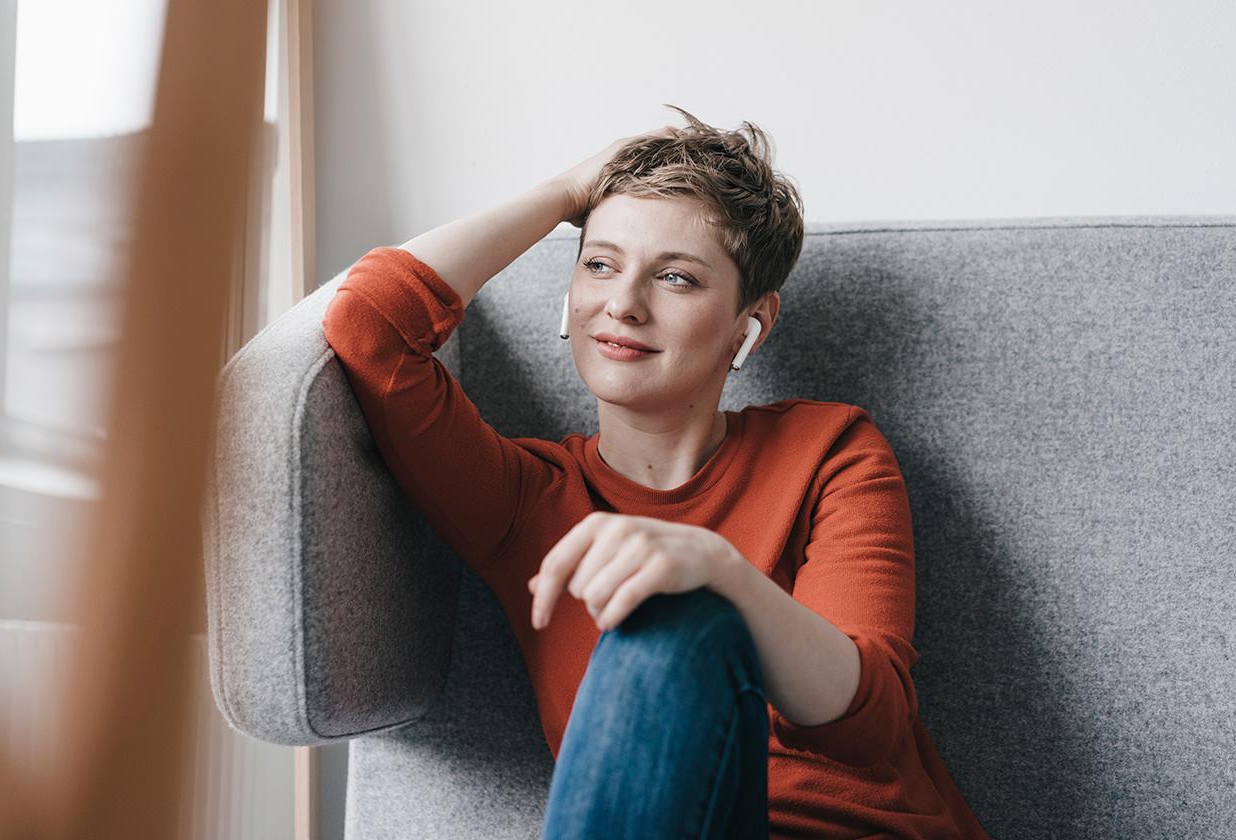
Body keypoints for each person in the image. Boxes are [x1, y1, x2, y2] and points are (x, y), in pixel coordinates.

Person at [321, 104, 991, 839]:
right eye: (600, 264)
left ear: (751, 326)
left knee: (679, 622)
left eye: (675, 278)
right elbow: (369, 323)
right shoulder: (526, 502)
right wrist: (570, 190)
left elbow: (870, 726)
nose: (623, 304)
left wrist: (719, 574)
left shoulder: (830, 451)